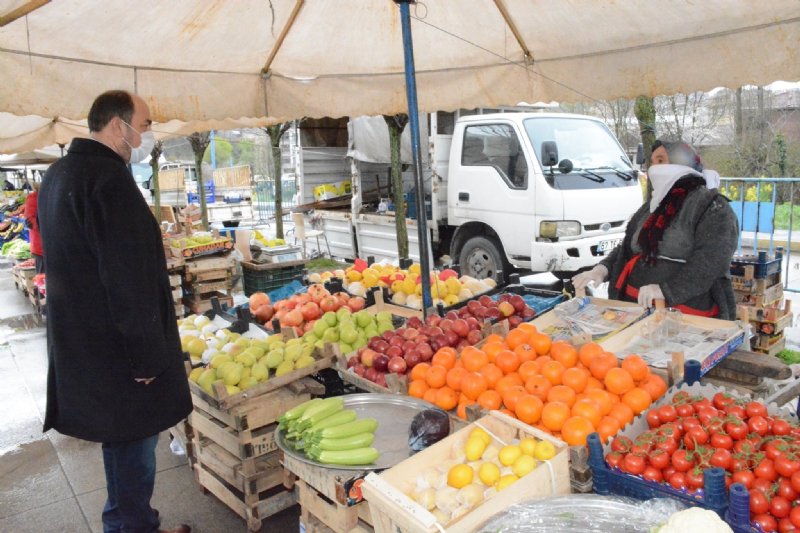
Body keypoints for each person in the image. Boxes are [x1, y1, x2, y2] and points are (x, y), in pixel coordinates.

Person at [38, 90, 192, 533]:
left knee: (121, 441)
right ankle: (132, 526)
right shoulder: (108, 181)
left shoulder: (61, 174)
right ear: (116, 125)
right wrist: (145, 357)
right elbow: (127, 279)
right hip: (118, 349)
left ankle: (131, 520)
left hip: (85, 341)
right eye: (142, 125)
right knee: (134, 443)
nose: (144, 133)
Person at [572, 139, 738, 319]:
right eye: (652, 162)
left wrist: (666, 290)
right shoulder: (652, 207)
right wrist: (601, 269)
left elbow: (711, 261)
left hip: (686, 316)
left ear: (682, 162)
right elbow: (628, 248)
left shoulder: (712, 207)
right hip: (634, 310)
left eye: (660, 161)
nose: (653, 169)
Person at [23, 181, 43, 273]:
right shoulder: (33, 198)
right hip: (40, 246)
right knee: (43, 277)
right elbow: (31, 220)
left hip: (53, 246)